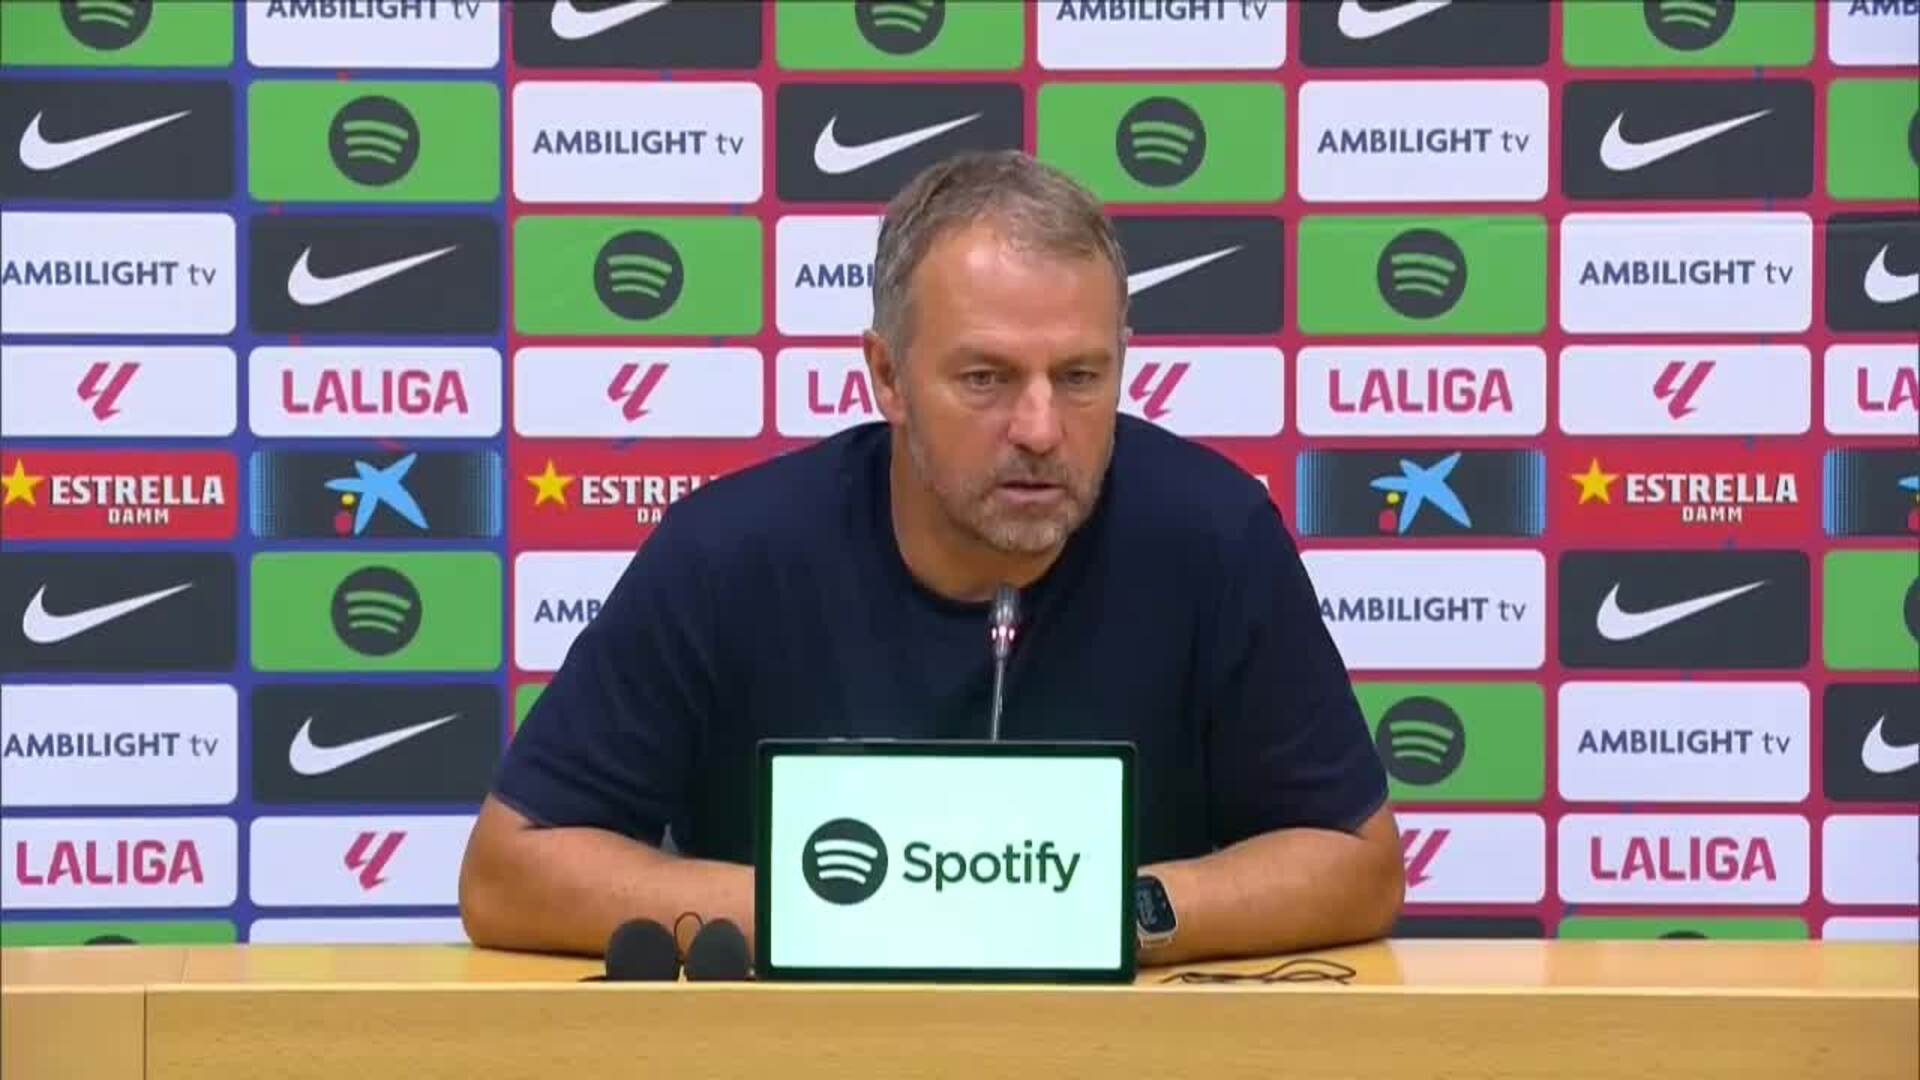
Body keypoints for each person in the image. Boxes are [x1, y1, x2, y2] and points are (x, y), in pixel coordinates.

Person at [460, 150, 1403, 967]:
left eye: (1081, 377)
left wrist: (1107, 915)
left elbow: (1354, 861)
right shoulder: (731, 554)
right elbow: (511, 869)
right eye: (986, 378)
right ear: (888, 376)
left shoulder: (1213, 536)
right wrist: (850, 914)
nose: (1040, 429)